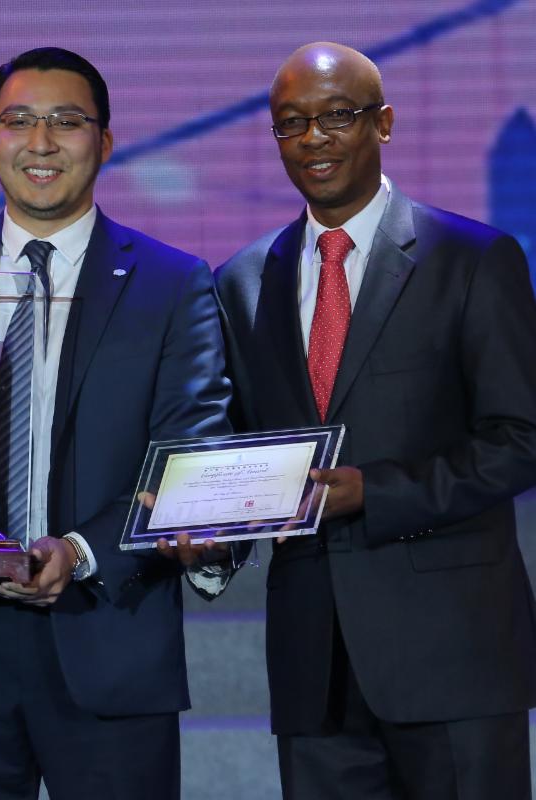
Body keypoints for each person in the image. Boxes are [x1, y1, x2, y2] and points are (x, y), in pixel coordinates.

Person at [0, 47, 231, 800]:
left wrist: (79, 551)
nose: (39, 142)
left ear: (104, 141)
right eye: (18, 120)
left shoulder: (171, 282)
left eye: (65, 122)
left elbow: (190, 453)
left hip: (108, 633)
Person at [215, 42, 536, 800]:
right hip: (314, 668)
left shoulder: (472, 258)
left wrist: (376, 492)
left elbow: (521, 438)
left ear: (383, 123)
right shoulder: (241, 280)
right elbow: (237, 449)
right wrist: (204, 530)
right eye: (291, 123)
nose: (313, 139)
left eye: (336, 116)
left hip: (453, 655)